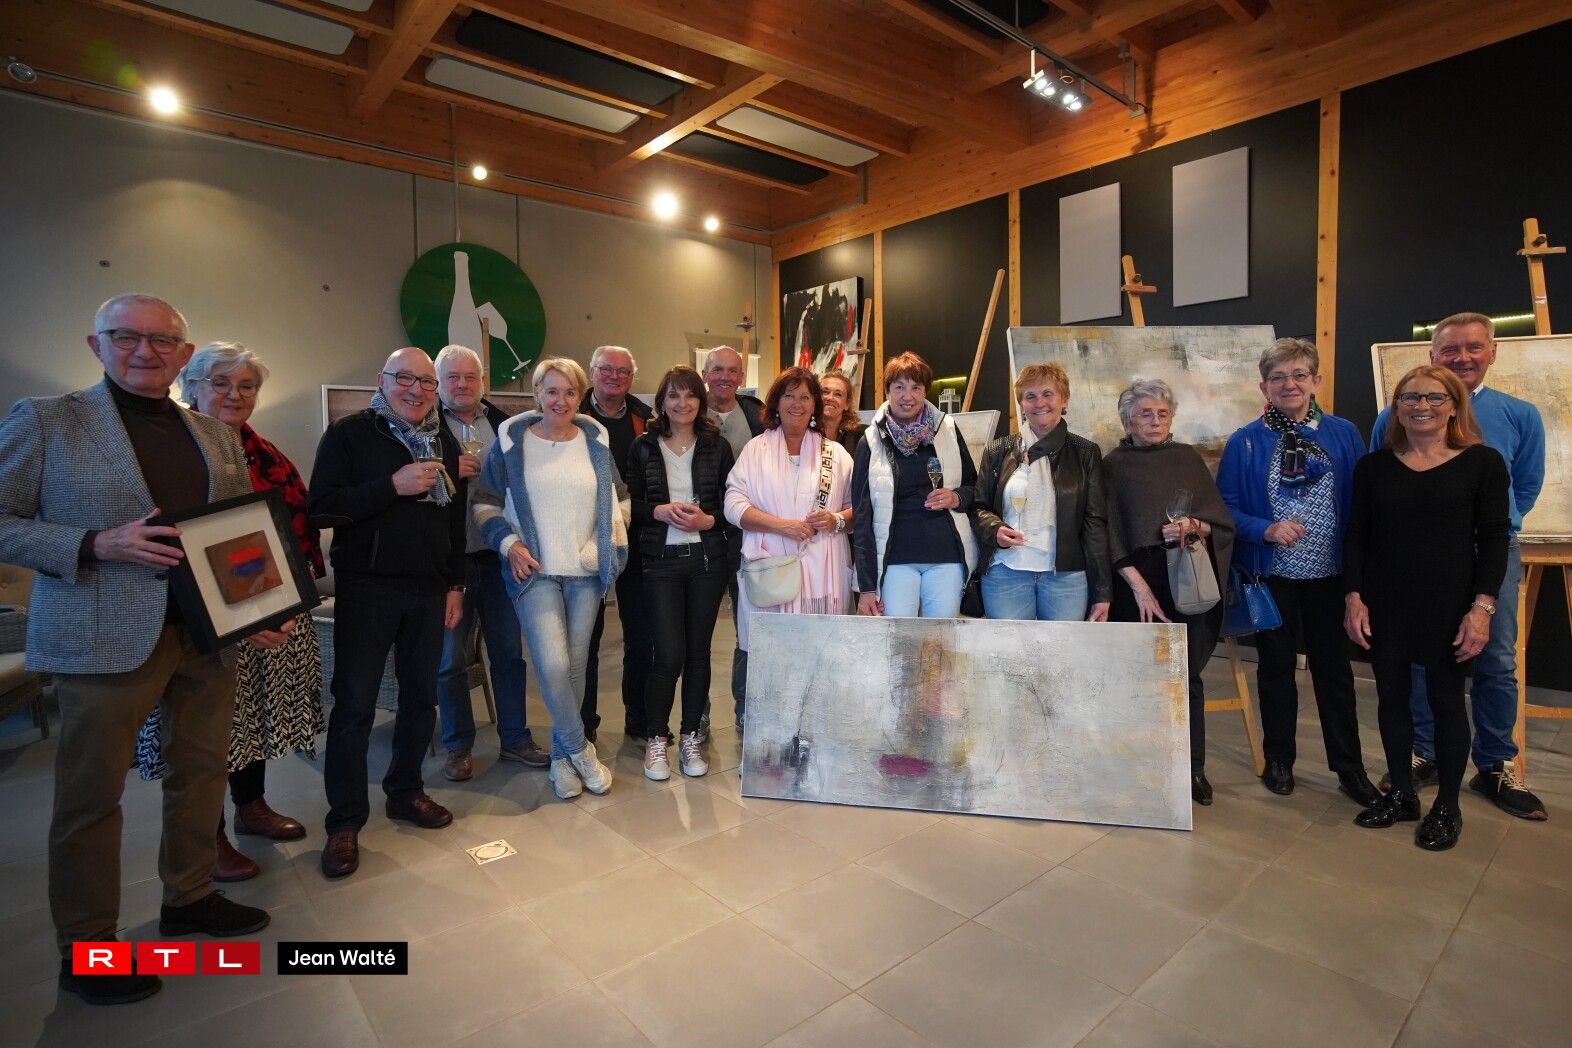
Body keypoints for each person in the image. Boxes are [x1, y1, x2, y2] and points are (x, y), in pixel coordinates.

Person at [0, 294, 282, 1005]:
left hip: (204, 636)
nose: (144, 351)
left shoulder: (213, 434)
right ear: (96, 344)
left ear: (183, 356)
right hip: (102, 636)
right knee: (91, 799)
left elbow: (234, 533)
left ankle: (189, 897)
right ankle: (88, 947)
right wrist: (95, 543)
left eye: (162, 340)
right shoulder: (49, 419)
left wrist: (256, 609)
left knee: (201, 775)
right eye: (126, 336)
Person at [133, 342, 326, 885]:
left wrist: (281, 601)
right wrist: (242, 610)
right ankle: (207, 833)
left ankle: (251, 806)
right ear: (190, 387)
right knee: (202, 732)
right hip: (196, 617)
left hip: (267, 606)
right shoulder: (175, 450)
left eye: (246, 386)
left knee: (253, 716)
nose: (234, 395)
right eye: (220, 383)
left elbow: (288, 526)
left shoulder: (264, 452)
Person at [1369, 313, 1548, 820]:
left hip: (1490, 554)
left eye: (1473, 347)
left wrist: (1487, 529)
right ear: (1433, 355)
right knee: (1422, 657)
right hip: (1418, 559)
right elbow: (1383, 481)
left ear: (1492, 352)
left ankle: (1494, 764)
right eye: (1450, 349)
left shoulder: (1520, 415)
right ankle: (1425, 751)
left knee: (1495, 658)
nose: (1462, 357)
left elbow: (1525, 485)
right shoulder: (1394, 416)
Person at [307, 347, 467, 879]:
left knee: (421, 700)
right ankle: (344, 822)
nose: (416, 390)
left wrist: (455, 584)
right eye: (405, 379)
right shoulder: (350, 435)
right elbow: (321, 508)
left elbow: (454, 521)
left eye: (426, 381)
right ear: (382, 380)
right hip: (367, 590)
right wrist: (390, 487)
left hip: (428, 590)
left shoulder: (442, 439)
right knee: (354, 707)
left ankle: (405, 791)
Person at [1345, 365, 1510, 850]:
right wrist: (1353, 597)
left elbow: (1495, 538)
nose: (1422, 406)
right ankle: (1401, 794)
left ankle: (1447, 807)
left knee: (1446, 702)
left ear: (1455, 406)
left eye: (1435, 398)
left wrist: (1482, 608)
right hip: (1385, 602)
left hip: (1451, 604)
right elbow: (1356, 537)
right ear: (1397, 408)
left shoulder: (1482, 463)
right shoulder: (1373, 467)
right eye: (1411, 397)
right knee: (1392, 698)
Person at [1218, 338, 1377, 807]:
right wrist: (1265, 529)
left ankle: (1348, 767)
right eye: (1278, 377)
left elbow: (1362, 502)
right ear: (1264, 386)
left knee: (1334, 673)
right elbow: (1225, 508)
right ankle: (1279, 759)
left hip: (1332, 576)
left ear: (1315, 380)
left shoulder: (1344, 434)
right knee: (1276, 670)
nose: (1289, 384)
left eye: (1299, 374)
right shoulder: (1245, 441)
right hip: (1272, 577)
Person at [472, 357, 626, 801]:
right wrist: (509, 545)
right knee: (554, 665)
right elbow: (484, 504)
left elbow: (622, 501)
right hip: (534, 572)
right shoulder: (510, 444)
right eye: (552, 391)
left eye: (570, 392)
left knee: (577, 666)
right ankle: (581, 749)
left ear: (580, 396)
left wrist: (599, 549)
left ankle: (561, 758)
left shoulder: (595, 443)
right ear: (537, 394)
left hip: (585, 574)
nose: (561, 400)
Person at [1103, 379, 1235, 805]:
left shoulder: (1187, 458)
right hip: (1136, 584)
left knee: (1186, 675)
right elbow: (1108, 534)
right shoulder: (1113, 465)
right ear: (1127, 420)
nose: (1155, 421)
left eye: (1162, 413)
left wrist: (1193, 526)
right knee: (1138, 675)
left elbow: (1220, 524)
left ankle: (1192, 769)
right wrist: (1139, 587)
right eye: (1145, 413)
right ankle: (1141, 765)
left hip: (1186, 576)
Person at [432, 344, 547, 781]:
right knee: (450, 660)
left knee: (508, 653)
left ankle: (515, 739)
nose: (462, 384)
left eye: (470, 376)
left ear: (482, 380)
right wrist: (448, 467)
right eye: (452, 377)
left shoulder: (505, 424)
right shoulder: (424, 425)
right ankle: (458, 746)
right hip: (450, 562)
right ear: (439, 382)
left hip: (500, 556)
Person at [724, 367, 854, 726]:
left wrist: (836, 519)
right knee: (766, 650)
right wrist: (781, 526)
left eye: (805, 397)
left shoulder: (835, 455)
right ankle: (763, 726)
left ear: (815, 405)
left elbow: (859, 510)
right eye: (789, 396)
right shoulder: (755, 450)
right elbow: (733, 505)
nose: (797, 404)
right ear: (776, 403)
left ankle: (814, 723)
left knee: (819, 650)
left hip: (823, 570)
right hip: (772, 572)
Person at [627, 366, 735, 779]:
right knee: (668, 653)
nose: (682, 403)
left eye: (690, 395)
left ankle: (690, 735)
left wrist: (708, 521)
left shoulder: (716, 446)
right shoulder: (643, 446)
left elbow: (731, 503)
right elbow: (629, 504)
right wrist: (657, 510)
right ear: (661, 402)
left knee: (698, 652)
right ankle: (657, 737)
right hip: (660, 562)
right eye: (673, 395)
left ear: (700, 402)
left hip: (706, 561)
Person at [971, 362, 1111, 623]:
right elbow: (978, 507)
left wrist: (1102, 592)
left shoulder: (1085, 452)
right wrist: (994, 530)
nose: (1040, 403)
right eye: (1030, 396)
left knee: (1063, 649)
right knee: (1009, 649)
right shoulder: (998, 450)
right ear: (1022, 404)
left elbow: (1094, 524)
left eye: (1048, 394)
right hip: (1005, 573)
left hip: (1066, 577)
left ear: (1064, 399)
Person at [851, 352, 978, 619]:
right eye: (899, 387)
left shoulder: (948, 430)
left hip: (946, 557)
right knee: (899, 638)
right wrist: (866, 587)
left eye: (916, 388)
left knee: (940, 639)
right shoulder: (870, 441)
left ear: (925, 391)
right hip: (894, 562)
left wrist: (956, 497)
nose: (907, 396)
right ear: (887, 391)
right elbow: (862, 516)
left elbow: (973, 487)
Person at [580, 345, 655, 744]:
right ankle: (584, 726)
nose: (614, 377)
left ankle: (638, 720)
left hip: (636, 539)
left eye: (623, 371)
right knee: (585, 640)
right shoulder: (574, 415)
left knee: (640, 638)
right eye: (606, 369)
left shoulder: (648, 418)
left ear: (632, 377)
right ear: (591, 373)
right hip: (585, 541)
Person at [704, 345, 765, 731]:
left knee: (749, 627)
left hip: (747, 537)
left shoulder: (757, 415)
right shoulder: (687, 410)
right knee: (698, 632)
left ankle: (747, 708)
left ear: (741, 377)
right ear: (705, 374)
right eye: (717, 370)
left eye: (732, 371)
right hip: (704, 536)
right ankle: (698, 712)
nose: (725, 377)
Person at [819, 368, 866, 455]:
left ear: (847, 404)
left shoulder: (862, 436)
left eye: (838, 394)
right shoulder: (803, 433)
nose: (830, 398)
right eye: (825, 392)